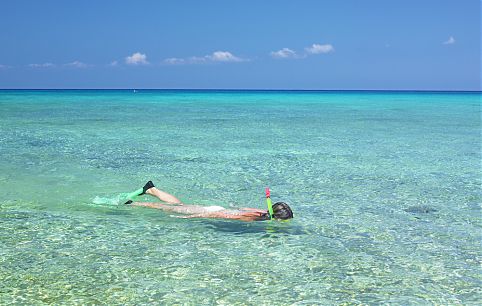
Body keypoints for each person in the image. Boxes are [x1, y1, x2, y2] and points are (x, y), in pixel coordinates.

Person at [124, 181, 293, 222]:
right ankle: (133, 203)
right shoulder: (254, 217)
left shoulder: (261, 212)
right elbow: (221, 215)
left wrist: (234, 207)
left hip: (217, 208)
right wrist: (195, 217)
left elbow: (239, 208)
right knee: (166, 209)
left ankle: (151, 189)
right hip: (210, 211)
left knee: (177, 206)